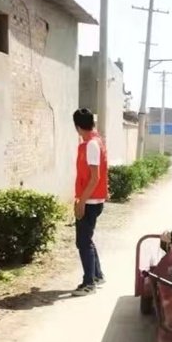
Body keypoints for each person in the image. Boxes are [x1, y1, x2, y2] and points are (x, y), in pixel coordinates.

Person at [72, 108, 108, 296]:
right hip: (93, 199)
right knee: (87, 239)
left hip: (91, 201)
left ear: (78, 127)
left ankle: (89, 283)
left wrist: (81, 202)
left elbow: (95, 178)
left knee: (83, 242)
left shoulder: (91, 145)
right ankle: (97, 275)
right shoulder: (95, 141)